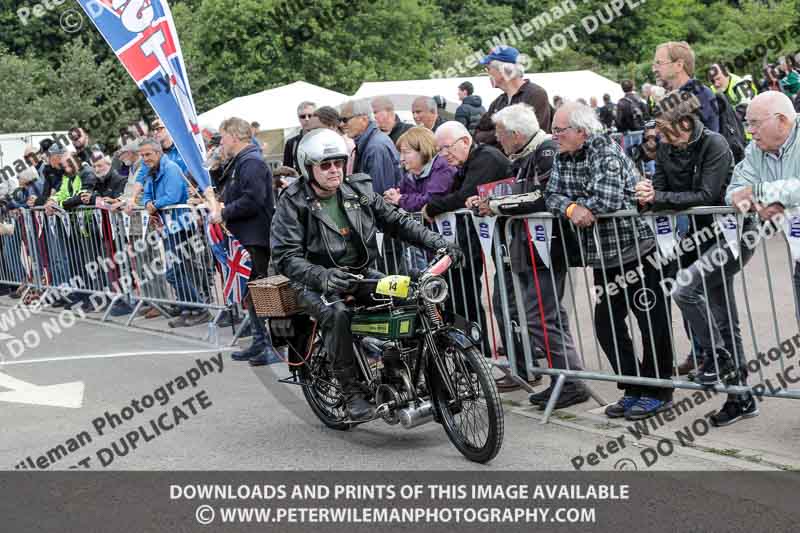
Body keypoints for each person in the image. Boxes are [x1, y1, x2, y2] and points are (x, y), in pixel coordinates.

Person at [270, 128, 462, 421]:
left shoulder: (357, 190)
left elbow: (396, 221)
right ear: (308, 168)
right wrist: (322, 277)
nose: (334, 170)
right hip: (311, 280)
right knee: (337, 314)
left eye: (338, 163)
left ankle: (413, 373)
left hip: (360, 272)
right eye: (325, 165)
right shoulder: (292, 201)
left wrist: (439, 243)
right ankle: (352, 394)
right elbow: (285, 257)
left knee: (412, 296)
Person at [545, 102, 673, 420]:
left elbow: (609, 198)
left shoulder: (603, 147)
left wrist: (579, 202)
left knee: (651, 322)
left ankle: (659, 390)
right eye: (554, 129)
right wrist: (574, 209)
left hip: (638, 250)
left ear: (581, 131)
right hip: (601, 257)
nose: (554, 135)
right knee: (606, 324)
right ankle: (633, 388)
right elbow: (551, 195)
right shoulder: (562, 155)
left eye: (559, 130)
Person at [636, 92, 758, 427]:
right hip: (699, 237)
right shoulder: (664, 149)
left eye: (664, 127)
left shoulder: (714, 144)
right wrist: (648, 197)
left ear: (685, 122)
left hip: (733, 234)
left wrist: (660, 197)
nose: (660, 135)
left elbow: (708, 194)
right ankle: (740, 396)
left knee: (685, 289)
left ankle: (714, 356)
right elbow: (660, 192)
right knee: (723, 316)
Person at [467, 103, 589, 406]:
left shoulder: (545, 151)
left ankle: (570, 380)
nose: (498, 140)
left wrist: (494, 205)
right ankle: (563, 378)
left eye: (500, 134)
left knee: (541, 316)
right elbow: (519, 190)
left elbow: (543, 197)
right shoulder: (524, 155)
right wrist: (487, 197)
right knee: (543, 315)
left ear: (516, 134)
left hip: (547, 247)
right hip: (532, 246)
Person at [424, 121, 511, 358]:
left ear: (464, 142)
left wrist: (431, 208)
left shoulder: (486, 158)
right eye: (439, 150)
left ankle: (522, 364)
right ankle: (480, 351)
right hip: (485, 237)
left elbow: (463, 196)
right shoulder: (468, 162)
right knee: (476, 294)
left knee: (509, 302)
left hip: (510, 238)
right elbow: (455, 194)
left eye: (446, 148)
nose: (443, 155)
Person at [211, 117, 280, 366]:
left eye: (223, 137)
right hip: (246, 236)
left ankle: (270, 345)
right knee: (251, 294)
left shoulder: (250, 162)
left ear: (234, 136)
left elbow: (254, 199)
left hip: (255, 237)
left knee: (260, 293)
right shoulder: (241, 162)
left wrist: (225, 212)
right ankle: (260, 342)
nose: (222, 143)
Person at [728, 92, 800, 322]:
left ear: (781, 120)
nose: (749, 131)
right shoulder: (755, 150)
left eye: (754, 123)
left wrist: (760, 192)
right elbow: (734, 192)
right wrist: (758, 205)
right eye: (747, 124)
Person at [140, 138, 211, 328]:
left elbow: (172, 195)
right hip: (168, 225)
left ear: (158, 153)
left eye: (148, 154)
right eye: (142, 155)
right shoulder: (150, 171)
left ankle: (200, 309)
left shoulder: (170, 168)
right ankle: (189, 308)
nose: (145, 158)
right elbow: (146, 194)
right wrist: (147, 203)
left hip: (180, 224)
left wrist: (153, 205)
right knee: (177, 271)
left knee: (175, 271)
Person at [474, 46, 552, 146]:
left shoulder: (535, 94)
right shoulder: (499, 102)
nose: (487, 73)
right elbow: (477, 134)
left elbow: (529, 137)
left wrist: (497, 134)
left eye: (488, 68)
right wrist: (504, 133)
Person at [383, 126, 456, 213]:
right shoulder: (412, 173)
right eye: (401, 153)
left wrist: (400, 199)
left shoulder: (443, 168)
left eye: (406, 152)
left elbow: (431, 202)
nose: (401, 158)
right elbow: (401, 193)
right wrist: (392, 195)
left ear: (423, 150)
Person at [652, 41, 719, 133]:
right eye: (654, 65)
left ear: (679, 65)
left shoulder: (699, 93)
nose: (654, 69)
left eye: (659, 63)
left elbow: (680, 139)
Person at [339, 99, 401, 196]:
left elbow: (378, 195)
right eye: (340, 120)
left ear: (363, 119)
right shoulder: (371, 142)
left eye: (345, 120)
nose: (341, 124)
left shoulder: (376, 147)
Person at [283, 101, 316, 174]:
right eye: (303, 116)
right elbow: (287, 170)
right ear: (299, 118)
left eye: (310, 115)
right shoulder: (291, 143)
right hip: (301, 183)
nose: (306, 119)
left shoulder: (325, 138)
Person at [615, 79, 649, 148]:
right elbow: (647, 115)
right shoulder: (640, 100)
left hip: (628, 134)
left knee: (629, 156)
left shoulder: (621, 102)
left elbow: (618, 121)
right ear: (632, 87)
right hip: (641, 132)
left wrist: (622, 130)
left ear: (622, 89)